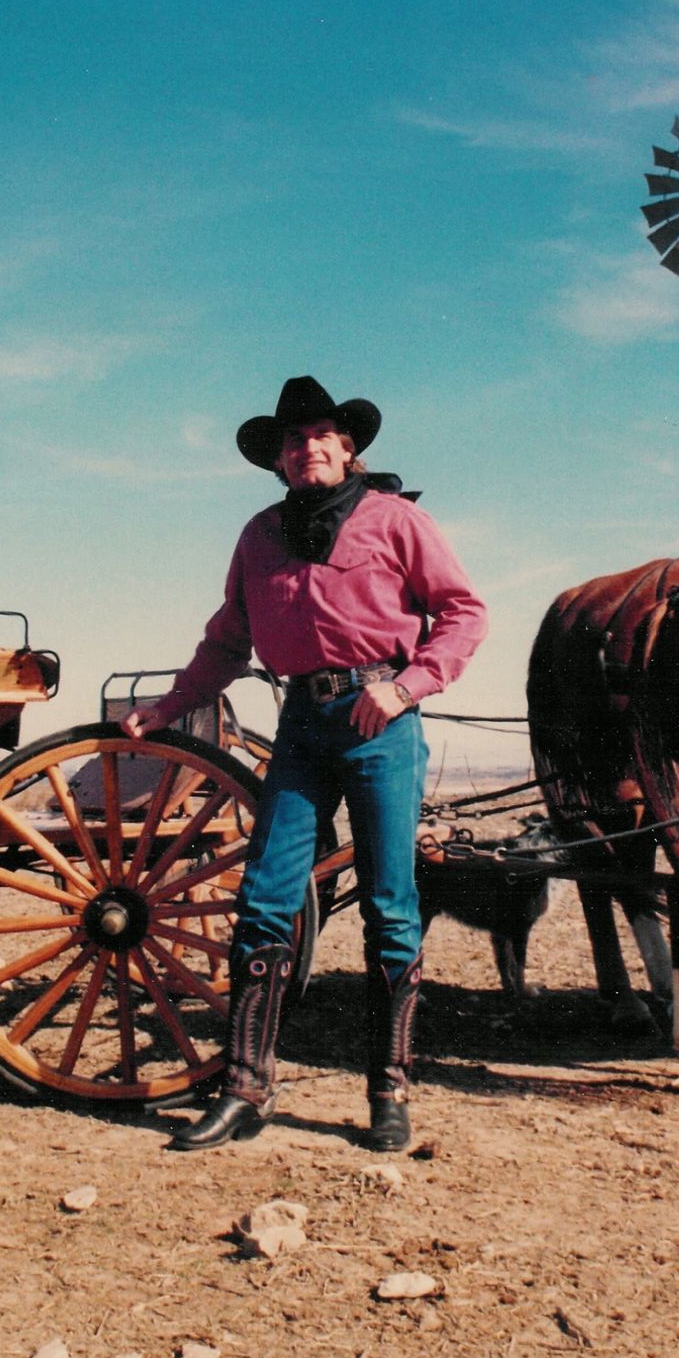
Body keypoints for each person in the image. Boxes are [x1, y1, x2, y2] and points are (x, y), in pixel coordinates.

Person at [123, 375, 487, 1152]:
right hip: (302, 728)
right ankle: (245, 1090)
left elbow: (463, 613)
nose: (308, 448)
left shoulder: (396, 520)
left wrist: (405, 688)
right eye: (294, 441)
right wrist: (167, 705)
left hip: (379, 723)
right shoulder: (258, 536)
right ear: (279, 460)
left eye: (322, 435)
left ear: (347, 449)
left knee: (391, 905)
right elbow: (228, 638)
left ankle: (389, 1092)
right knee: (264, 899)